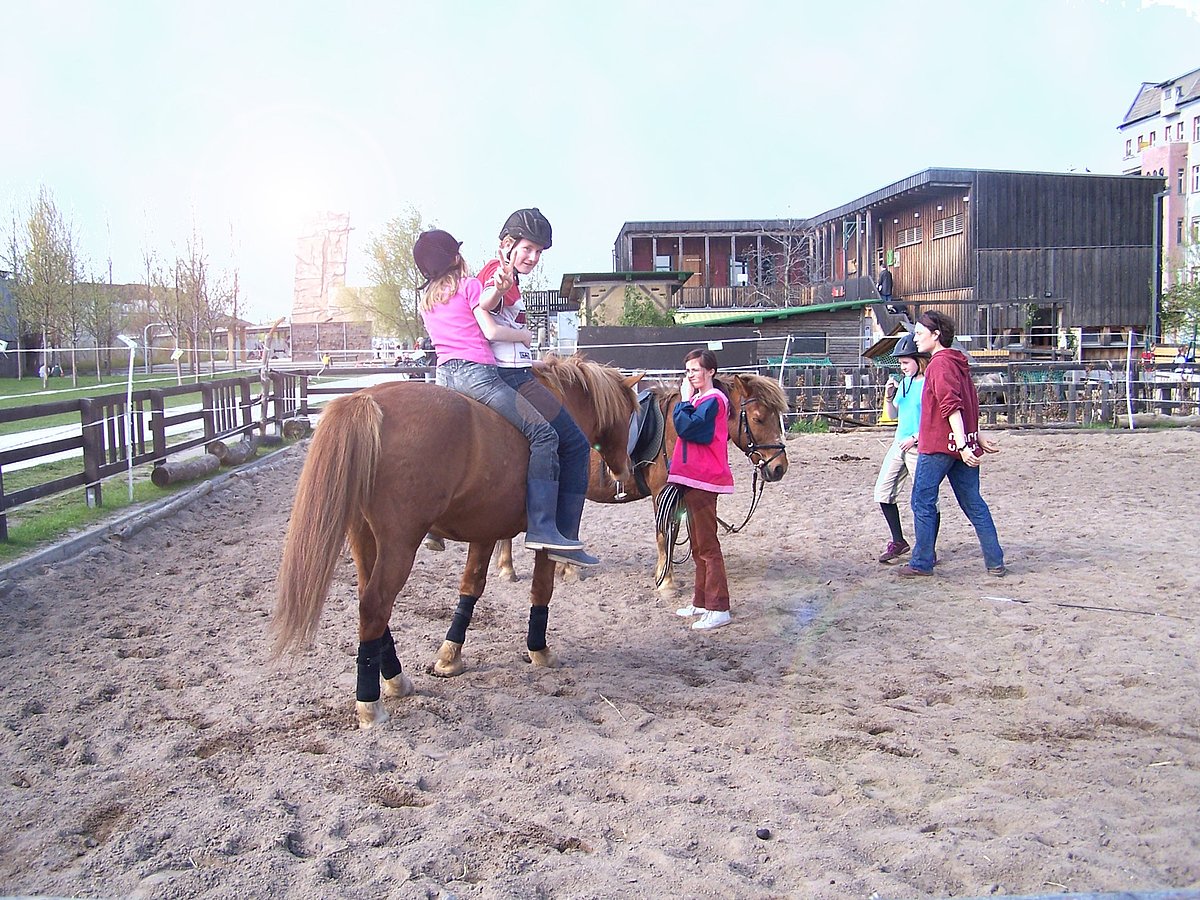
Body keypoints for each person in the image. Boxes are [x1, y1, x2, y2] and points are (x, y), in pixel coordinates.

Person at [413, 227, 591, 560]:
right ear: (454, 257)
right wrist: (502, 298)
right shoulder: (468, 286)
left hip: (444, 377)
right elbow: (487, 313)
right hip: (478, 375)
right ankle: (541, 526)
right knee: (543, 435)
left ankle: (432, 524)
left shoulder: (425, 300)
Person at [476, 208, 598, 568]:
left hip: (521, 370)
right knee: (574, 442)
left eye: (539, 252)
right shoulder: (497, 275)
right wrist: (521, 331)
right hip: (510, 379)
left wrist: (534, 360)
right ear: (508, 245)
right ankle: (555, 531)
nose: (533, 257)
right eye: (528, 248)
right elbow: (488, 306)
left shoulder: (509, 277)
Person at [899, 311, 1006, 578]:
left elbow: (951, 406)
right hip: (961, 444)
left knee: (922, 501)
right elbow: (969, 403)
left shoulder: (939, 365)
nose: (916, 338)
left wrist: (962, 444)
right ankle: (995, 561)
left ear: (936, 335)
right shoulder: (959, 363)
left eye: (920, 333)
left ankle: (922, 562)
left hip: (937, 445)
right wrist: (974, 436)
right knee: (973, 503)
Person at [670, 348, 736, 631]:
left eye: (695, 370)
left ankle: (719, 607)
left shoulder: (712, 401)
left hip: (704, 478)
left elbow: (687, 428)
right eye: (688, 371)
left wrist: (684, 400)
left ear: (710, 371)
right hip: (691, 478)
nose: (691, 375)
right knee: (698, 545)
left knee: (708, 545)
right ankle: (701, 601)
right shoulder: (701, 400)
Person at [874, 332, 936, 564]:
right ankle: (898, 540)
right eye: (900, 363)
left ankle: (928, 548)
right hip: (898, 444)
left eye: (905, 363)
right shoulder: (905, 384)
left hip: (919, 447)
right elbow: (893, 416)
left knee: (924, 499)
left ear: (919, 360)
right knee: (883, 492)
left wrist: (916, 438)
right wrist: (889, 398)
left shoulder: (929, 384)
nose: (902, 367)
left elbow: (936, 419)